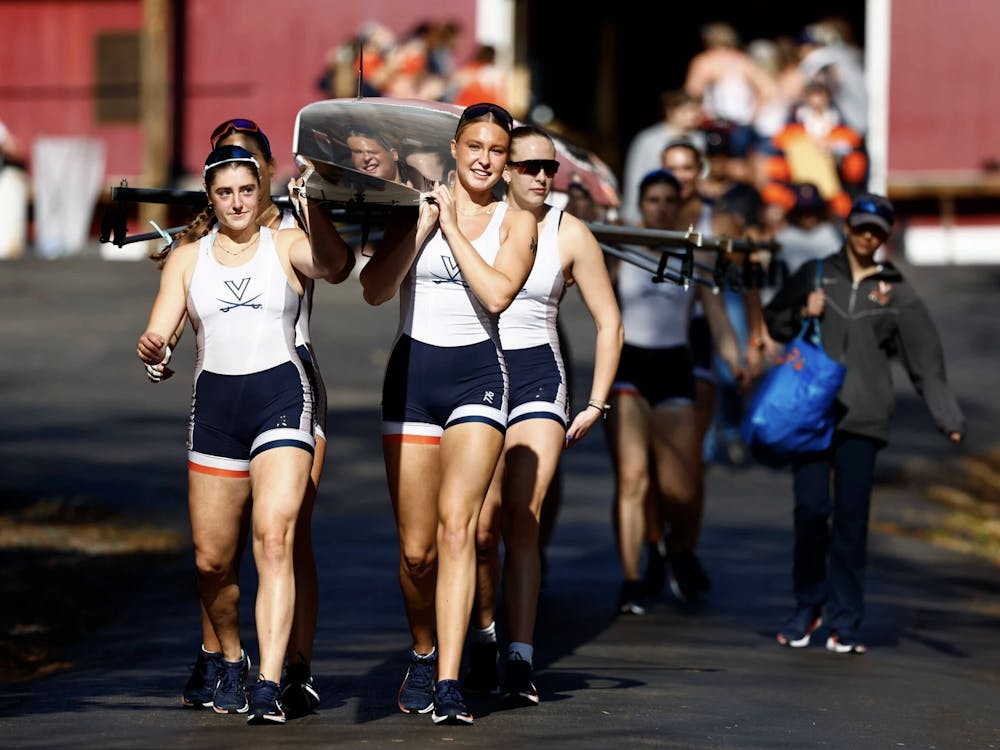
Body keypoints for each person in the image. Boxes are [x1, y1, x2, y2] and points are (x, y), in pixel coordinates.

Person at [136, 144, 354, 724]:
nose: (237, 202)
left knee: (275, 538)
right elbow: (161, 331)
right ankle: (231, 658)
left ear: (262, 194)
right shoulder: (188, 257)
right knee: (212, 562)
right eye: (226, 192)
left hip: (282, 397)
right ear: (211, 197)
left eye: (247, 190)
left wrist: (318, 212)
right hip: (215, 410)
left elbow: (336, 267)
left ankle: (269, 680)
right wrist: (155, 353)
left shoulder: (285, 243)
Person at [358, 102, 536, 725]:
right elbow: (375, 291)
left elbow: (496, 293)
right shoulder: (414, 209)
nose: (485, 159)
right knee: (416, 552)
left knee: (459, 529)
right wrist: (418, 227)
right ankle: (424, 651)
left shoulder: (518, 222)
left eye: (497, 150)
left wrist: (452, 226)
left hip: (478, 377)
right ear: (456, 148)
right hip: (412, 377)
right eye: (475, 147)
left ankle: (453, 679)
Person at [764, 193, 964, 654]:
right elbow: (774, 322)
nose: (866, 236)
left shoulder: (897, 292)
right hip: (811, 414)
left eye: (876, 231)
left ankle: (846, 620)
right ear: (847, 227)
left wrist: (947, 416)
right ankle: (807, 605)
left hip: (865, 416)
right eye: (860, 227)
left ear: (885, 236)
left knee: (851, 522)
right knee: (811, 512)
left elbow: (926, 361)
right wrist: (801, 313)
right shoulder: (815, 274)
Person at [463, 126, 622, 705]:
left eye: (549, 169)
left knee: (520, 520)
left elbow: (610, 321)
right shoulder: (474, 217)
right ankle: (483, 634)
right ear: (504, 168)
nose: (539, 176)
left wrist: (597, 402)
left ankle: (520, 656)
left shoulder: (569, 231)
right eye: (527, 165)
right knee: (478, 529)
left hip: (537, 377)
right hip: (477, 373)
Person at [606, 169, 743, 615]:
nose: (661, 207)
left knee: (678, 489)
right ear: (640, 206)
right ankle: (630, 580)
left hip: (676, 368)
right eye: (653, 200)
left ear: (679, 206)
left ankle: (675, 549)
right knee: (632, 480)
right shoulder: (618, 251)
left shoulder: (695, 256)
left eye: (669, 200)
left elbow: (718, 317)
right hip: (629, 370)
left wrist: (736, 357)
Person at [620, 90, 706, 226]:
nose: (693, 115)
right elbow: (635, 180)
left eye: (695, 110)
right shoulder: (648, 140)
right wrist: (633, 218)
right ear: (670, 112)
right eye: (686, 111)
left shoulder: (700, 140)